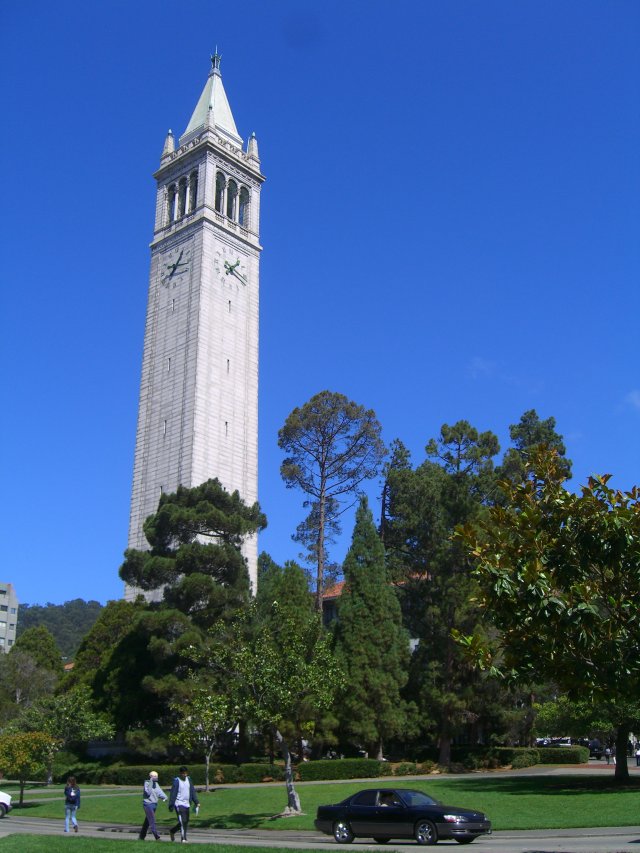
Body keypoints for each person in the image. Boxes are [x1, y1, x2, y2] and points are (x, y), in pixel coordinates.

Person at [168, 766, 199, 843]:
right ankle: (183, 839)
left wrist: (196, 802)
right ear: (180, 773)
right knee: (182, 821)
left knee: (185, 821)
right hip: (178, 804)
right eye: (183, 773)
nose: (185, 775)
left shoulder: (189, 780)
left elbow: (192, 791)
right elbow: (173, 794)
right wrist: (171, 805)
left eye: (186, 773)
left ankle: (172, 831)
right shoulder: (177, 781)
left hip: (186, 804)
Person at [139, 770, 168, 841]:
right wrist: (151, 782)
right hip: (147, 804)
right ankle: (157, 837)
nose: (155, 777)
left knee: (147, 821)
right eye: (153, 776)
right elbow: (148, 792)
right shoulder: (147, 783)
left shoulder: (156, 784)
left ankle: (141, 836)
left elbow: (160, 792)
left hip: (154, 805)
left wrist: (165, 797)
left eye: (156, 776)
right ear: (150, 777)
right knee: (152, 820)